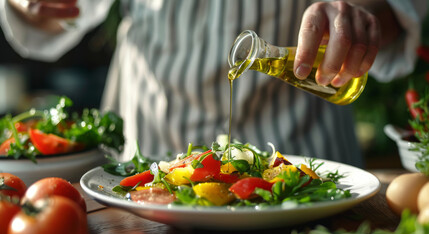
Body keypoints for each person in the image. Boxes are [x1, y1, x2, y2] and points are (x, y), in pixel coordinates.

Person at [0, 0, 426, 168]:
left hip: (304, 151)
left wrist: (362, 13)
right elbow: (60, 13)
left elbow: (397, 8)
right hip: (149, 148)